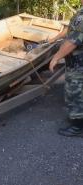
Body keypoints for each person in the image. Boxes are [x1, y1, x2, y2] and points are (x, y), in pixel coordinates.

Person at [49, 0, 83, 137]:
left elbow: (73, 42)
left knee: (75, 92)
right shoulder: (80, 12)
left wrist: (56, 57)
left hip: (79, 64)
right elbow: (70, 30)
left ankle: (78, 127)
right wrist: (54, 39)